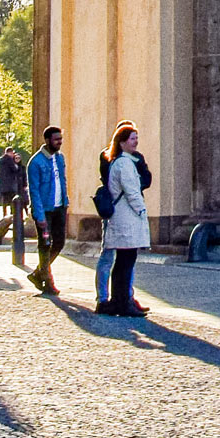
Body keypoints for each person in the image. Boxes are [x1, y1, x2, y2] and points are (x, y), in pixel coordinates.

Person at [97, 124, 151, 316]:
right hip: (127, 217)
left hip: (123, 216)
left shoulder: (121, 161)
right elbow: (132, 192)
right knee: (125, 262)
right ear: (122, 142)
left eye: (136, 138)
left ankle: (120, 301)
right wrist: (142, 211)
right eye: (132, 138)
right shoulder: (124, 164)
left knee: (123, 262)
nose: (136, 141)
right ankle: (122, 302)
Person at [27, 126, 68, 296]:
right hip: (45, 210)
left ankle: (38, 273)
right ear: (47, 140)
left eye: (60, 138)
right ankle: (47, 281)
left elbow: (63, 181)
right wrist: (39, 215)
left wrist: (66, 203)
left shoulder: (60, 158)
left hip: (60, 207)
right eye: (56, 139)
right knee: (45, 244)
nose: (59, 142)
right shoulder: (36, 162)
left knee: (59, 242)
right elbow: (34, 190)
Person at [0, 146, 27, 265]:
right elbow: (15, 169)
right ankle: (14, 219)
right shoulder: (9, 161)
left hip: (4, 186)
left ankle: (7, 217)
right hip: (12, 186)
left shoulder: (1, 160)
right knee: (16, 205)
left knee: (6, 203)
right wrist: (16, 164)